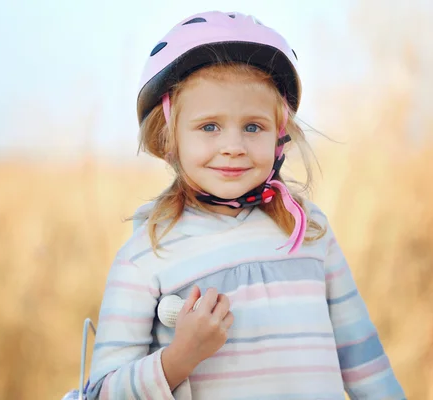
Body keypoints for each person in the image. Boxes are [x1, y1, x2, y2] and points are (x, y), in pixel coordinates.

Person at [66, 10, 406, 400]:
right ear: (169, 134)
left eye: (253, 126)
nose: (234, 146)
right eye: (209, 126)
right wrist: (179, 358)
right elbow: (102, 393)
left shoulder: (308, 231)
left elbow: (364, 361)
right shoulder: (145, 257)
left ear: (279, 134)